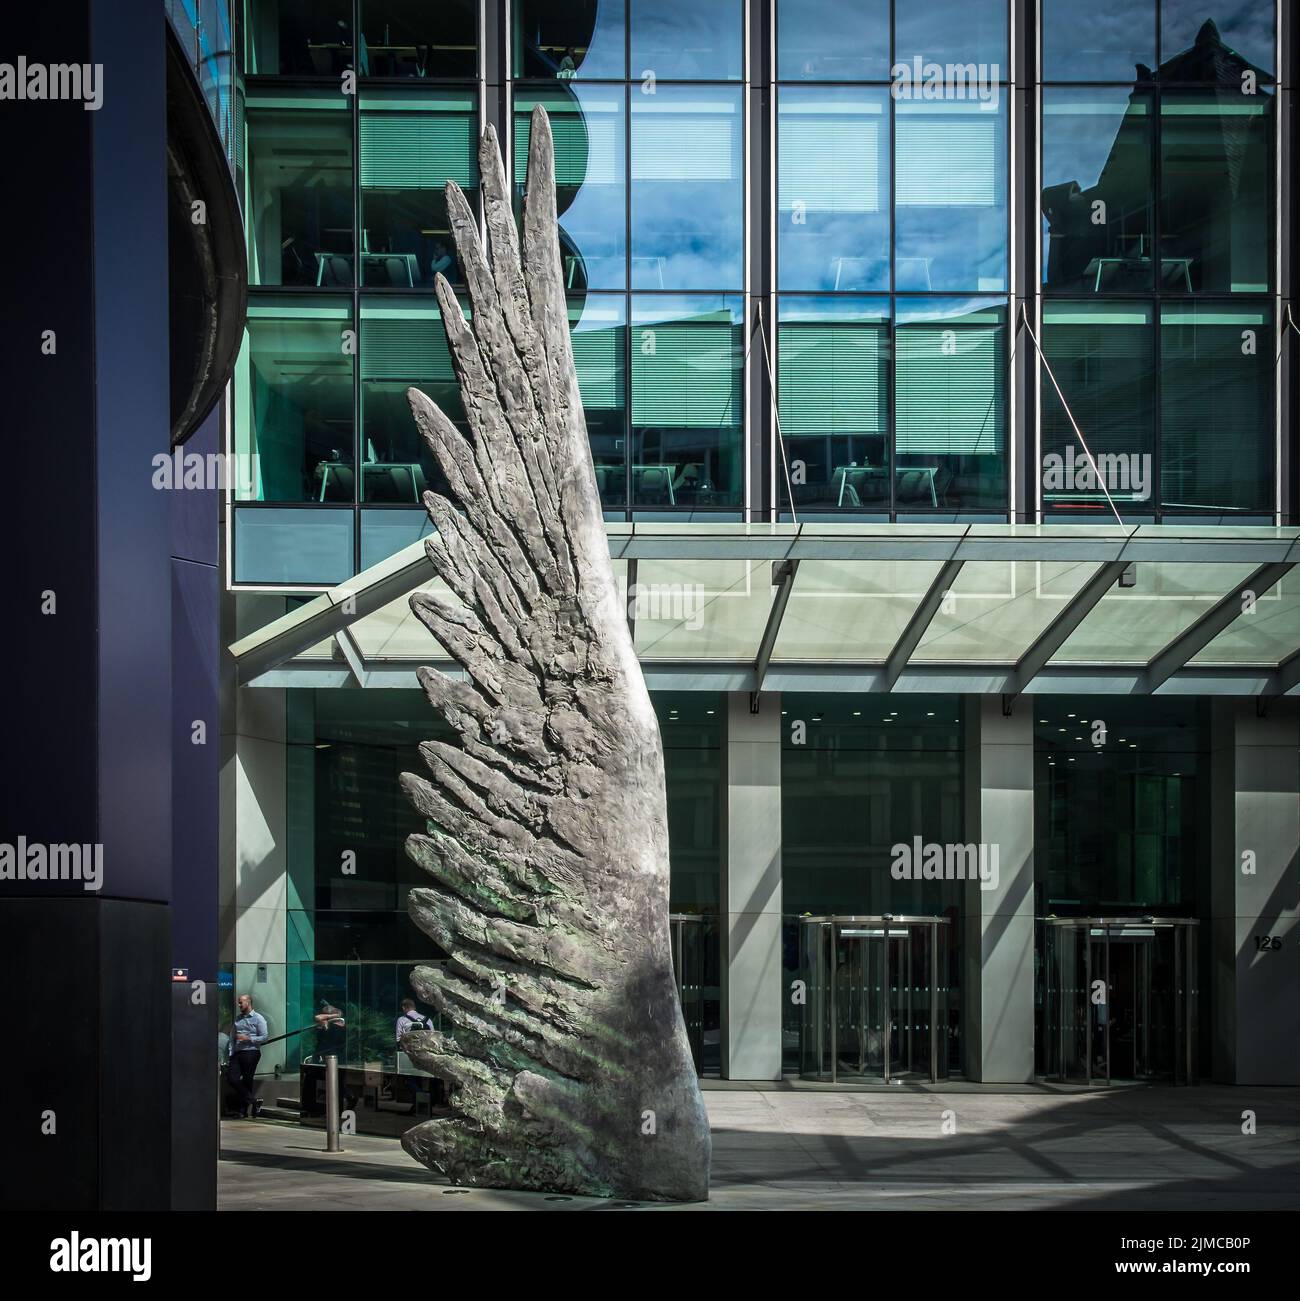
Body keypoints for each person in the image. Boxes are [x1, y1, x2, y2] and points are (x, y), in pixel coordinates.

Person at [227, 994, 268, 1118]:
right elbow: (232, 1037)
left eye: (241, 1003)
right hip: (238, 1053)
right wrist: (231, 1053)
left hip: (251, 1052)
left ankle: (242, 1111)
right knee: (232, 1078)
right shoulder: (238, 1019)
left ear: (248, 1002)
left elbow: (265, 1036)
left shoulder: (258, 1018)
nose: (239, 1005)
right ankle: (254, 1101)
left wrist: (249, 1038)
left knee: (247, 1080)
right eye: (239, 1003)